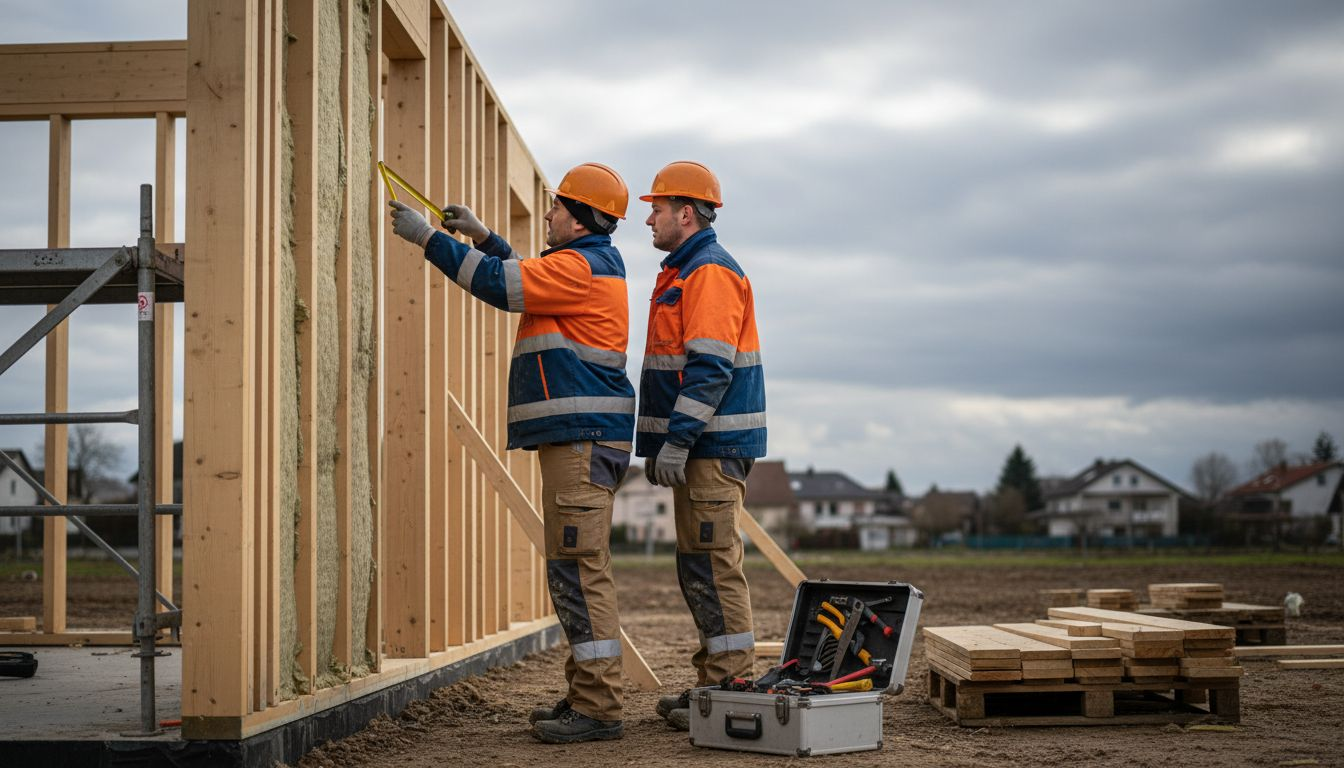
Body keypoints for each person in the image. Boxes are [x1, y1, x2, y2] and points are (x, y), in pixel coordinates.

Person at [389, 163, 635, 744]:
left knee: (579, 569)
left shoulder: (583, 266)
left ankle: (598, 707)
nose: (548, 213)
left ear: (581, 219)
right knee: (574, 568)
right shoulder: (582, 265)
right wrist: (483, 238)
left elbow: (504, 286)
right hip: (577, 439)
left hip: (581, 440)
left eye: (556, 207)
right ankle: (587, 694)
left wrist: (428, 238)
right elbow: (522, 271)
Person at [635, 161, 766, 731]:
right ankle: (717, 682)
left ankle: (733, 687)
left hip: (708, 447)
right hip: (702, 449)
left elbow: (710, 369)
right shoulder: (685, 270)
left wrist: (677, 442)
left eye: (657, 209)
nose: (649, 218)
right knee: (699, 566)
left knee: (712, 566)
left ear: (686, 213)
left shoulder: (708, 272)